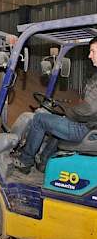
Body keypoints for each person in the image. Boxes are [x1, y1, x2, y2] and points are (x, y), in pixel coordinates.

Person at [14, 36, 97, 174]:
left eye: (93, 51)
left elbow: (90, 108)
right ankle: (44, 161)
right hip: (90, 125)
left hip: (85, 128)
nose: (89, 55)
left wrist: (69, 113)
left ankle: (25, 160)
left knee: (39, 119)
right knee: (56, 125)